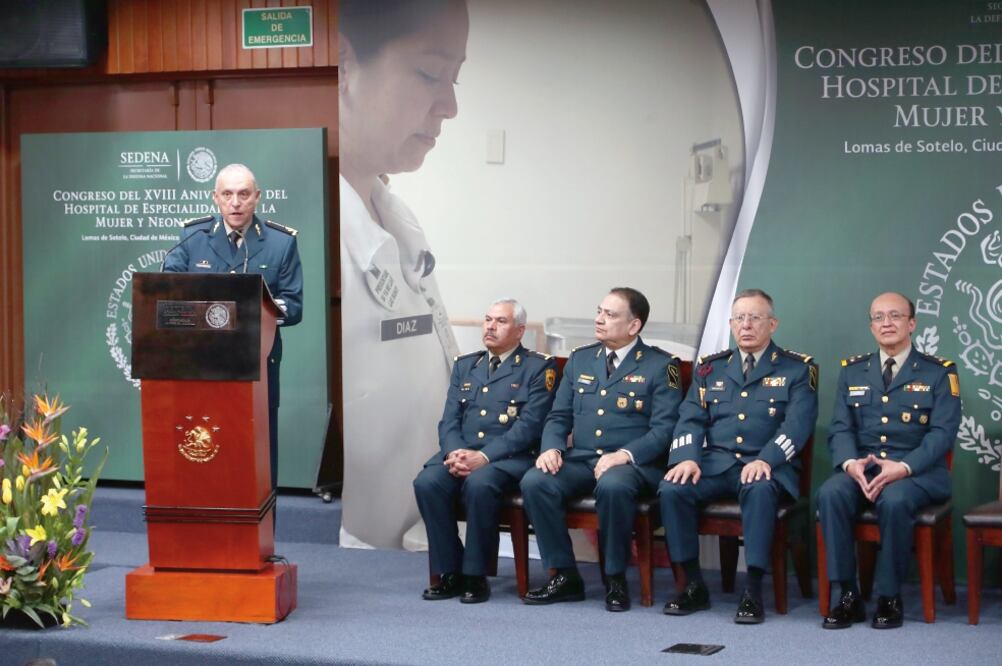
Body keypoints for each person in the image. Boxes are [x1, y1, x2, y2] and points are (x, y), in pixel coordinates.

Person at [338, 0, 468, 549]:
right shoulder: (303, 239)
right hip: (354, 573)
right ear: (343, 68)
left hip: (421, 543)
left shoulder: (398, 223)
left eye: (456, 80)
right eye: (431, 73)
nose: (451, 106)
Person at [660, 288, 817, 624]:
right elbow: (690, 417)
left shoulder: (796, 370)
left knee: (760, 489)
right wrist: (686, 457)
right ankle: (693, 585)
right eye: (739, 318)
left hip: (767, 467)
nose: (746, 325)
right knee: (673, 488)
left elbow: (798, 426)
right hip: (716, 466)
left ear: (772, 324)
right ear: (731, 324)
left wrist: (767, 460)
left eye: (755, 318)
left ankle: (753, 590)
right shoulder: (709, 369)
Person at [520, 287, 683, 612]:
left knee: (613, 485)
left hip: (635, 465)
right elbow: (558, 416)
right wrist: (551, 448)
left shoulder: (663, 366)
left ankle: (615, 578)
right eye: (599, 311)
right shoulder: (581, 359)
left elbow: (666, 429)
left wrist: (624, 455)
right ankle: (565, 575)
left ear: (634, 326)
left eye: (610, 315)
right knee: (535, 481)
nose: (599, 319)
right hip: (582, 459)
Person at [817, 292, 961, 630]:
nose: (887, 323)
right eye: (879, 317)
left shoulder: (940, 372)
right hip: (863, 469)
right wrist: (850, 464)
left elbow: (942, 434)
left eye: (895, 316)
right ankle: (848, 595)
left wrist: (904, 467)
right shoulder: (853, 371)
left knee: (894, 499)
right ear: (871, 326)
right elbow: (840, 428)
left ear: (911, 323)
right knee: (831, 493)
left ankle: (889, 597)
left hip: (918, 472)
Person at [163, 163, 303, 489]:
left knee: (256, 458)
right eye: (227, 194)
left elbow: (293, 307)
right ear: (215, 198)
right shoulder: (193, 236)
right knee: (203, 449)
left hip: (256, 366)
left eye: (243, 194)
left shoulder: (281, 243)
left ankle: (260, 533)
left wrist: (251, 311)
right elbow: (167, 293)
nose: (235, 202)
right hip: (200, 366)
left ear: (257, 198)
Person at [413, 298, 557, 603]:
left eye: (500, 321)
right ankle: (451, 571)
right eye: (488, 319)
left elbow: (529, 427)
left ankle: (476, 575)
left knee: (480, 484)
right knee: (427, 482)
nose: (490, 326)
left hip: (509, 458)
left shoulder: (538, 367)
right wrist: (454, 453)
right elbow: (449, 419)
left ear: (519, 331)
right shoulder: (466, 365)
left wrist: (484, 457)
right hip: (463, 454)